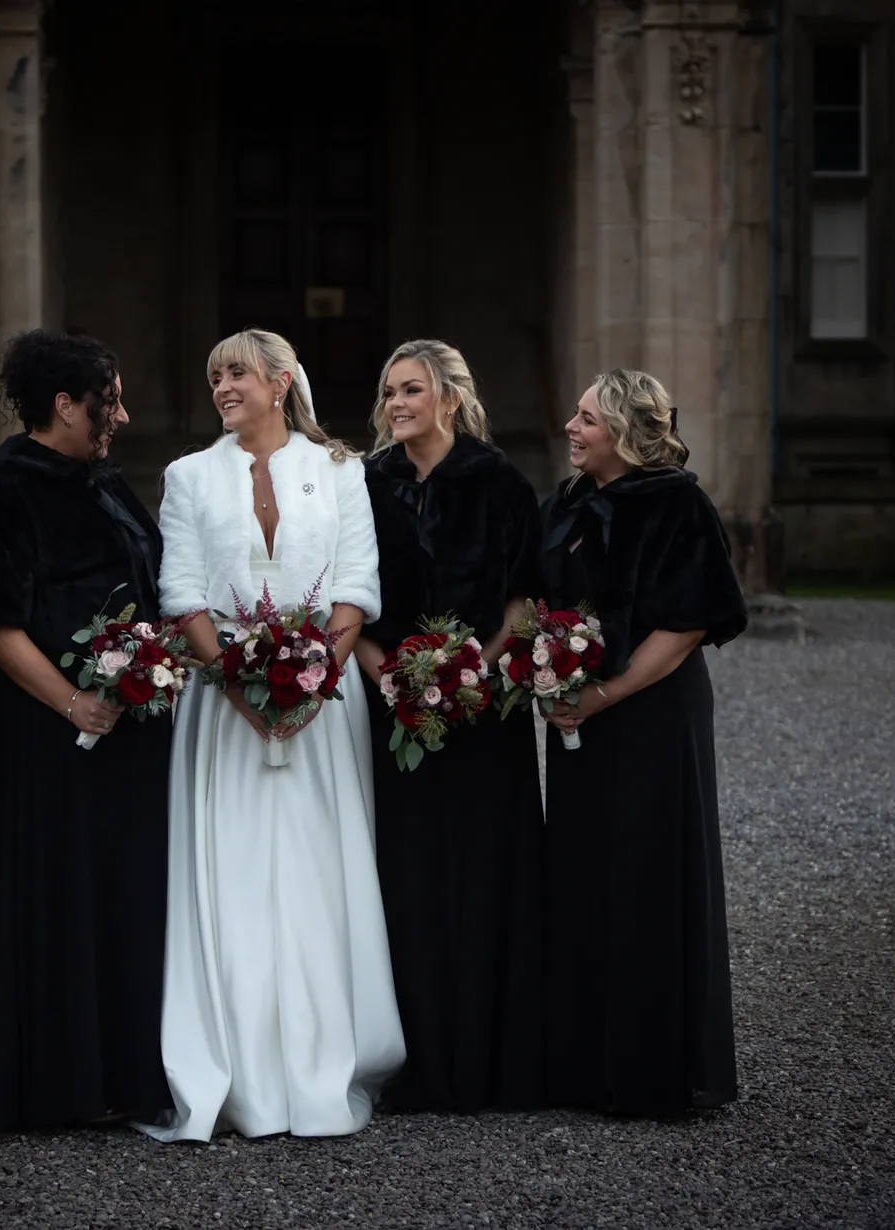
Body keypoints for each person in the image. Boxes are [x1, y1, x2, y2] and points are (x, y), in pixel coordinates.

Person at [139, 328, 405, 1142]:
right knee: (233, 878)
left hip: (323, 707)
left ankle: (326, 1062)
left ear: (282, 381)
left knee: (321, 877)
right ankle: (240, 1070)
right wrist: (239, 682)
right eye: (214, 374)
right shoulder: (187, 476)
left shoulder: (340, 471)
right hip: (223, 709)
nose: (222, 387)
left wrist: (312, 677)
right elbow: (181, 589)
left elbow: (358, 582)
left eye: (238, 374)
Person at [0, 329, 172, 1128]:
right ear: (63, 404)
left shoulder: (103, 480)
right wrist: (74, 703)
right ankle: (59, 1083)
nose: (122, 414)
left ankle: (122, 1073)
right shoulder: (8, 492)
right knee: (64, 901)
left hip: (131, 733)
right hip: (55, 738)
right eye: (108, 400)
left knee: (126, 898)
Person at [539, 368, 748, 1115]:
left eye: (587, 418)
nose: (571, 425)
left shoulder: (678, 503)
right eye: (576, 413)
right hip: (581, 722)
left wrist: (605, 694)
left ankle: (652, 1071)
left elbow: (690, 621)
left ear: (624, 433)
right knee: (583, 873)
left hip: (652, 717)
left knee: (649, 877)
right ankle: (582, 1068)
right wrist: (552, 679)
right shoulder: (567, 503)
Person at [354, 339, 546, 1113]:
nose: (396, 404)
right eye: (389, 391)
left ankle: (492, 1062)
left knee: (484, 870)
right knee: (405, 874)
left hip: (481, 713)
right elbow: (347, 598)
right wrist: (388, 675)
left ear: (450, 400)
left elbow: (523, 605)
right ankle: (417, 1063)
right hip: (391, 706)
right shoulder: (365, 486)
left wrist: (472, 672)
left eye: (410, 391)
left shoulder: (502, 484)